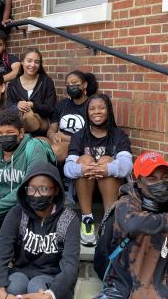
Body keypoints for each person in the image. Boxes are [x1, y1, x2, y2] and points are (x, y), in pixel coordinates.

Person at [95, 152, 168, 299]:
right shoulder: (125, 204)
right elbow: (133, 224)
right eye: (152, 178)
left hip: (161, 290)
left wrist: (167, 291)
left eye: (165, 177)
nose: (161, 183)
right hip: (122, 288)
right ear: (137, 181)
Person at [0, 162, 80, 299]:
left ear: (56, 190)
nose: (37, 195)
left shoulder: (68, 219)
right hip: (19, 272)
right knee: (14, 286)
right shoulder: (16, 215)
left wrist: (51, 294)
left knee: (36, 285)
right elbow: (0, 256)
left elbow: (71, 266)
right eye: (31, 189)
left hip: (53, 277)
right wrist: (0, 292)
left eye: (44, 189)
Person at [0, 108, 50, 244]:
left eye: (10, 133)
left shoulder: (34, 149)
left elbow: (29, 189)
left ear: (21, 133)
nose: (4, 137)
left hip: (27, 208)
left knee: (13, 234)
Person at [63, 93, 132, 246]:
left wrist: (106, 168)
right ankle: (87, 220)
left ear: (109, 110)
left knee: (106, 160)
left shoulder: (118, 135)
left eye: (101, 108)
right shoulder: (79, 136)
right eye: (92, 109)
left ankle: (109, 221)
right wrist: (83, 169)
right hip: (84, 189)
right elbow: (68, 169)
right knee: (85, 160)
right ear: (87, 112)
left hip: (111, 189)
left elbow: (127, 166)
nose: (97, 112)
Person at [47, 70, 98, 164]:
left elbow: (94, 137)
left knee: (55, 150)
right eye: (68, 84)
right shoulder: (62, 104)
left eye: (74, 83)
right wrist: (52, 135)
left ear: (84, 85)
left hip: (79, 144)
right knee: (36, 143)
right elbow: (52, 128)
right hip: (58, 140)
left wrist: (65, 138)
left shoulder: (92, 106)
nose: (71, 86)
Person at [6, 49, 56, 136]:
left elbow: (51, 108)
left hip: (41, 125)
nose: (32, 65)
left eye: (37, 62)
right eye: (29, 61)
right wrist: (17, 105)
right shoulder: (13, 84)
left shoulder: (46, 81)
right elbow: (8, 106)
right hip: (19, 125)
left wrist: (33, 105)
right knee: (25, 116)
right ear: (22, 62)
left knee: (29, 115)